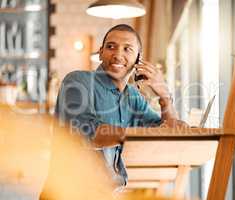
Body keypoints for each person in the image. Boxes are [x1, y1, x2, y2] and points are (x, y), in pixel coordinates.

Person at [54, 24, 178, 188]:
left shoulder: (133, 97)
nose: (118, 55)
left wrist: (165, 97)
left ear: (138, 59)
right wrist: (142, 134)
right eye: (111, 47)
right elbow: (83, 131)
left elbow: (169, 132)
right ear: (100, 53)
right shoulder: (77, 81)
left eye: (127, 49)